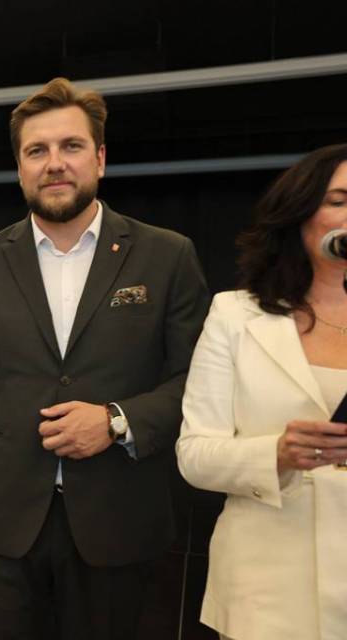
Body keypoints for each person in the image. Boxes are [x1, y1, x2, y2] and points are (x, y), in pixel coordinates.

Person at [0, 77, 210, 639]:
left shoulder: (167, 255)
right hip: (2, 529)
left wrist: (116, 421)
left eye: (71, 146)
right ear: (20, 167)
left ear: (99, 158)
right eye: (37, 150)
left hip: (119, 521)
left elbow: (198, 383)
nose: (54, 163)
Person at [177, 144, 347, 640]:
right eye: (339, 200)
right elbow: (194, 454)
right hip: (266, 589)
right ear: (299, 213)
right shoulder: (235, 314)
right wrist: (277, 454)